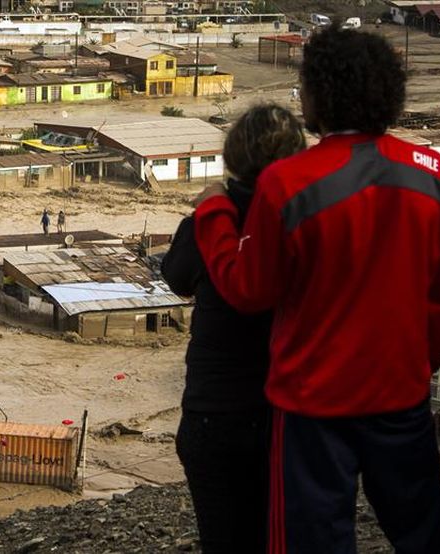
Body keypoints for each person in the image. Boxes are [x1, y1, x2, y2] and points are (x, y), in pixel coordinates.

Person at [194, 27, 440, 554]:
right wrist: (416, 366)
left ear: (320, 95)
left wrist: (213, 213)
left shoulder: (288, 183)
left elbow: (247, 289)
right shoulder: (436, 176)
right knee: (422, 531)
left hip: (312, 405)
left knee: (314, 539)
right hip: (400, 396)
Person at [162, 105, 307, 554]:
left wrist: (211, 208)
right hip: (290, 412)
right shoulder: (310, 221)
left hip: (215, 412)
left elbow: (176, 277)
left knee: (222, 538)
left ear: (231, 159)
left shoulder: (207, 224)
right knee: (279, 535)